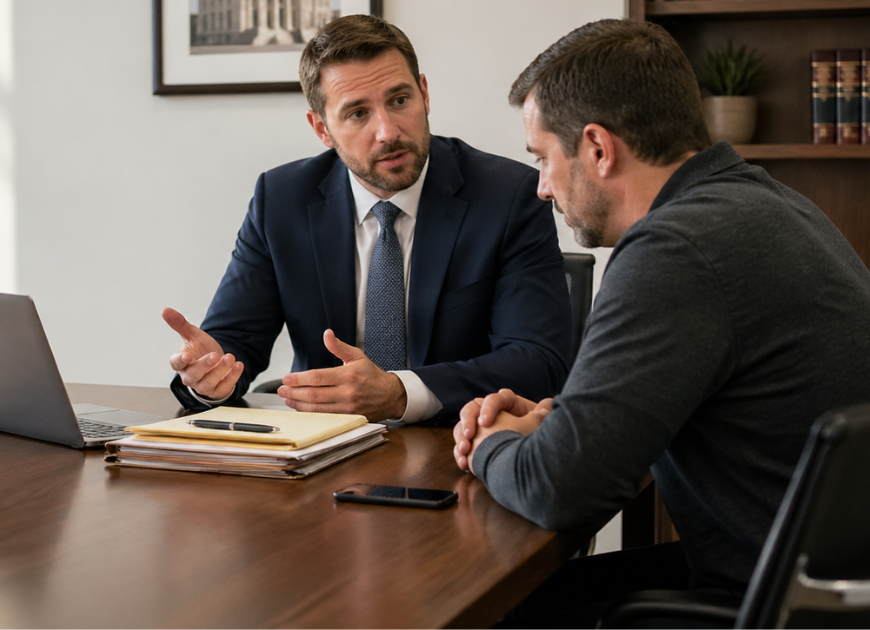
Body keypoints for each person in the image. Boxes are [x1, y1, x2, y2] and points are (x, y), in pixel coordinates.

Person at [451, 18, 870, 627]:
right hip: (834, 595)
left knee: (498, 613)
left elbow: (558, 489)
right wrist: (559, 421)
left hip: (765, 608)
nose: (541, 187)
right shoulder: (764, 204)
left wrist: (490, 444)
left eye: (542, 158)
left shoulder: (675, 249)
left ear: (597, 148)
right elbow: (674, 390)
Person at [163, 15, 571, 424]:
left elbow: (538, 362)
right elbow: (233, 346)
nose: (387, 131)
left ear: (424, 94)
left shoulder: (509, 195)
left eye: (399, 100)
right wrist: (208, 378)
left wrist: (400, 393)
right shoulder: (282, 200)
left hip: (458, 445)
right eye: (358, 113)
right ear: (322, 129)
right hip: (322, 451)